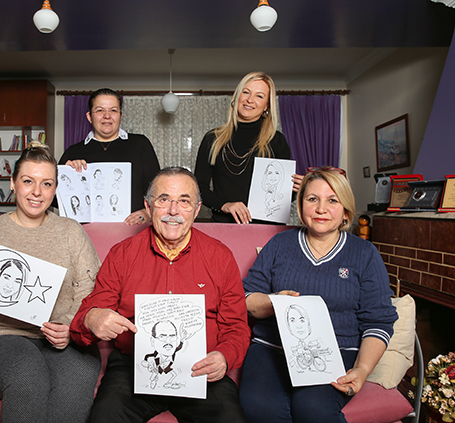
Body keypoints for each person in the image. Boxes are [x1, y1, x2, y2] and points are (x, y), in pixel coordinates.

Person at [70, 166, 251, 423]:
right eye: (164, 199)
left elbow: (237, 327)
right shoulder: (122, 254)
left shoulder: (219, 257)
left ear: (197, 209)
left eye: (184, 201)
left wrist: (225, 356)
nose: (173, 211)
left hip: (200, 369)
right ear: (148, 206)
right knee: (105, 416)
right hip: (133, 367)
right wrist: (92, 319)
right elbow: (83, 320)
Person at [0, 142, 102, 423]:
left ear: (55, 189)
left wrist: (70, 325)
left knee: (80, 371)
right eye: (28, 181)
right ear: (13, 183)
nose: (37, 192)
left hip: (56, 337)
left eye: (46, 184)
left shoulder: (71, 232)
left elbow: (90, 290)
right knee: (27, 371)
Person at [239, 166, 398, 423]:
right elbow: (248, 297)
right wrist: (273, 302)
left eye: (332, 200)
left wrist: (361, 369)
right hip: (272, 347)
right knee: (259, 407)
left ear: (346, 210)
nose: (321, 208)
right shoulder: (279, 244)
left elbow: (378, 321)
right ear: (301, 205)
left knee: (313, 408)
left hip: (338, 349)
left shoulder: (364, 254)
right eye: (312, 199)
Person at [194, 71, 302, 224]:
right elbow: (198, 188)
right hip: (224, 226)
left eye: (259, 96)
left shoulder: (276, 141)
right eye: (246, 92)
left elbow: (282, 198)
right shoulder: (213, 138)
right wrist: (224, 205)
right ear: (237, 97)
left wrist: (295, 188)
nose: (250, 100)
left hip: (266, 229)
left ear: (267, 106)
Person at [59, 88, 161, 225]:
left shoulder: (140, 144)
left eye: (113, 110)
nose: (107, 116)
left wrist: (147, 213)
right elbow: (53, 199)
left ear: (120, 116)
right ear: (89, 117)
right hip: (86, 233)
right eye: (100, 110)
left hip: (132, 230)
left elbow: (159, 190)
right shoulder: (73, 152)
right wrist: (67, 175)